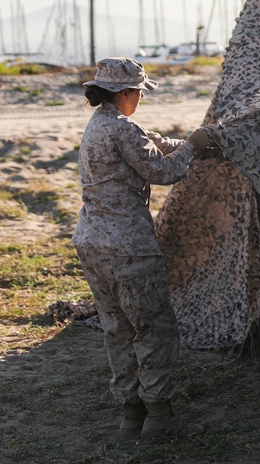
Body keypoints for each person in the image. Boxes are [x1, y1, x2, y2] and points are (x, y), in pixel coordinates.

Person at [71, 57, 219, 438]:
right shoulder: (122, 128)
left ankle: (131, 414)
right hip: (129, 247)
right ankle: (160, 416)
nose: (140, 99)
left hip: (93, 243)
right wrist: (193, 148)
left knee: (117, 329)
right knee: (154, 329)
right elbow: (164, 171)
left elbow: (151, 143)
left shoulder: (100, 125)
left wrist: (189, 143)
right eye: (139, 92)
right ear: (125, 93)